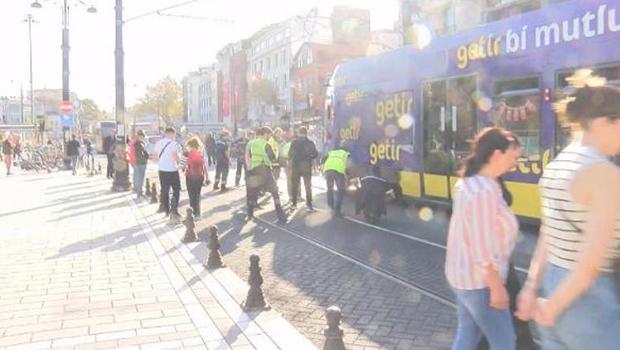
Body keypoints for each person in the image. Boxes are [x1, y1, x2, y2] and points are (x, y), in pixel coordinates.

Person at [516, 85, 620, 350]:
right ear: (601, 123)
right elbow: (591, 263)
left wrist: (531, 288)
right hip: (591, 301)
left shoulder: (557, 165)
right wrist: (555, 305)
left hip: (554, 285)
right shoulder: (603, 174)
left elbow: (547, 232)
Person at [444, 127, 522, 350]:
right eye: (513, 157)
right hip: (480, 282)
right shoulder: (484, 190)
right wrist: (496, 287)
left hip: (464, 276)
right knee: (505, 342)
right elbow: (482, 246)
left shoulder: (470, 182)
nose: (515, 163)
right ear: (497, 154)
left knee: (468, 335)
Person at [246, 126, 286, 223]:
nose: (269, 137)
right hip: (265, 170)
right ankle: (280, 215)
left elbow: (248, 156)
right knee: (275, 192)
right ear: (265, 134)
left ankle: (250, 214)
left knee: (253, 193)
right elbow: (272, 157)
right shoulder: (266, 144)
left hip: (254, 170)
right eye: (269, 135)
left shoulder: (251, 143)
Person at [153, 127, 182, 221]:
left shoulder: (158, 143)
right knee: (176, 190)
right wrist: (180, 162)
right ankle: (175, 209)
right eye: (174, 135)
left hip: (162, 170)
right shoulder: (173, 144)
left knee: (164, 190)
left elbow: (154, 157)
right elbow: (175, 157)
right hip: (172, 170)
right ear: (171, 134)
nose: (174, 137)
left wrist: (161, 162)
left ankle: (167, 210)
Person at [288, 126, 318, 210]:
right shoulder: (310, 143)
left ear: (299, 133)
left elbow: (290, 154)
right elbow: (315, 154)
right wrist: (309, 157)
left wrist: (291, 160)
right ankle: (309, 203)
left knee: (295, 185)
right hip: (306, 166)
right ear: (306, 133)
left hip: (296, 166)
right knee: (307, 185)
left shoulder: (294, 142)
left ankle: (294, 203)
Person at [322, 146, 350, 217]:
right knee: (340, 190)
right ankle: (337, 210)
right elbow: (349, 164)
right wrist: (347, 177)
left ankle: (330, 208)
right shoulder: (346, 153)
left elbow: (322, 159)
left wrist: (323, 169)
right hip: (338, 170)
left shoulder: (331, 152)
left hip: (328, 170)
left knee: (330, 189)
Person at [185, 136, 205, 220]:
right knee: (197, 195)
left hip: (190, 176)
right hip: (199, 176)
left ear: (191, 146)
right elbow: (204, 165)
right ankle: (198, 214)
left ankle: (192, 214)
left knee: (191, 195)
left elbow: (182, 165)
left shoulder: (187, 154)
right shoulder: (201, 154)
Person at [132, 130, 149, 200]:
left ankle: (139, 193)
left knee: (139, 179)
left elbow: (144, 153)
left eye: (142, 136)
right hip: (140, 163)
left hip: (140, 163)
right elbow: (142, 154)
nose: (142, 137)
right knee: (139, 179)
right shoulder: (138, 144)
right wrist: (146, 156)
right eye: (141, 136)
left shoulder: (140, 143)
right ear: (138, 136)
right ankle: (139, 193)